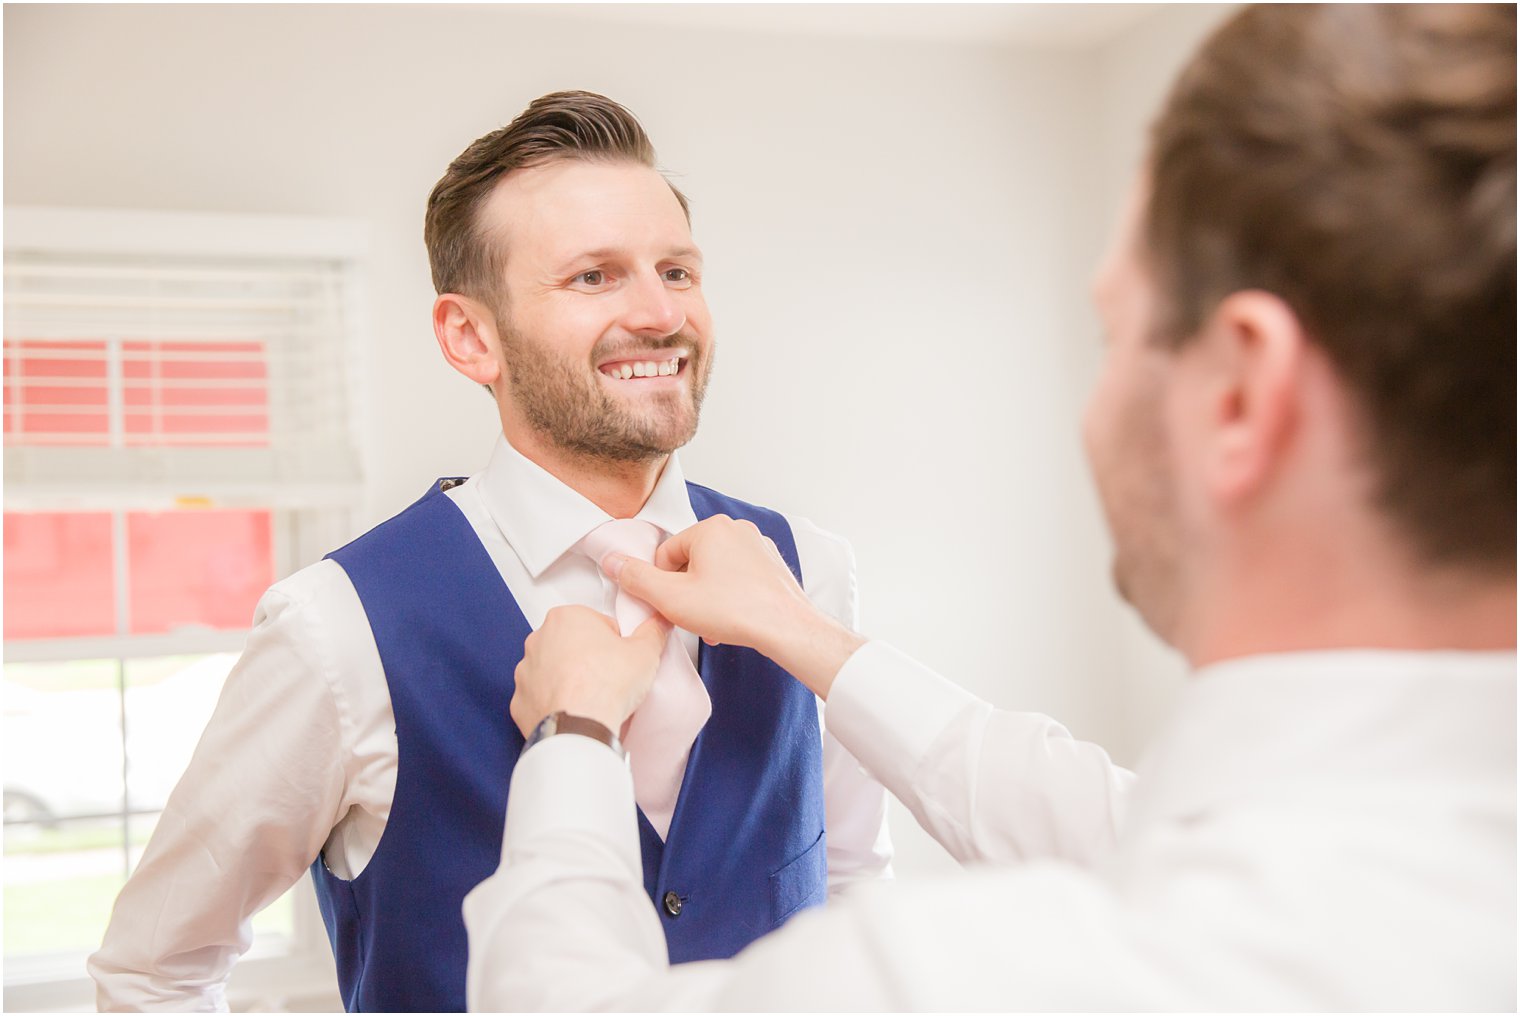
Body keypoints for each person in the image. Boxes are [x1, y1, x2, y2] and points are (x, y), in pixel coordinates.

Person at [463, 5, 1516, 1010]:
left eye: (1115, 335)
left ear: (1240, 394)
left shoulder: (1004, 975)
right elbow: (1083, 808)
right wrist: (807, 636)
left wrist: (573, 732)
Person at [88, 92, 892, 1012]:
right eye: (595, 276)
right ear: (470, 337)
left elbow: (854, 883)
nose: (659, 312)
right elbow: (152, 971)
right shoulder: (339, 628)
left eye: (676, 269)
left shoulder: (811, 570)